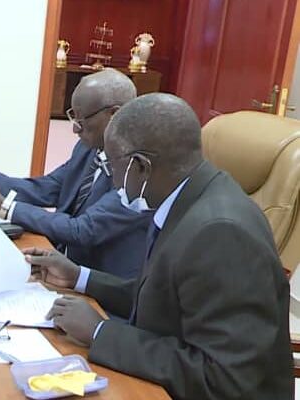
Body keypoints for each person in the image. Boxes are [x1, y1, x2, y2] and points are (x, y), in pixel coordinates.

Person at [27, 93, 292, 399]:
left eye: (112, 166)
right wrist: (79, 277)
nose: (113, 182)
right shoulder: (186, 198)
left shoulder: (220, 232)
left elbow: (222, 376)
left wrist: (100, 332)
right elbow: (161, 296)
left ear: (140, 166)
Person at [0, 69, 150, 279]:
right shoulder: (88, 148)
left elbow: (82, 230)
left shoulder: (136, 170)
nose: (74, 129)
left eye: (82, 120)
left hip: (95, 280)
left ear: (114, 114)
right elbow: (48, 187)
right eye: (73, 116)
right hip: (58, 264)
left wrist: (2, 206)